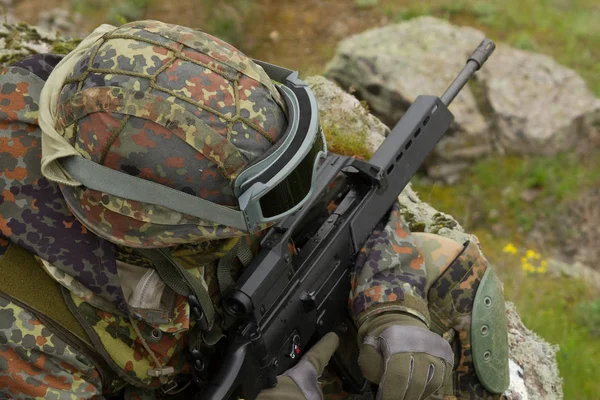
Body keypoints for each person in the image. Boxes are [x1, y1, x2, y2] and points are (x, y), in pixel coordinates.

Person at [0, 20, 508, 399]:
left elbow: (350, 201)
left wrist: (392, 304)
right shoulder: (29, 328)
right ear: (162, 223)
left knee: (451, 269)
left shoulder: (231, 143)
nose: (296, 191)